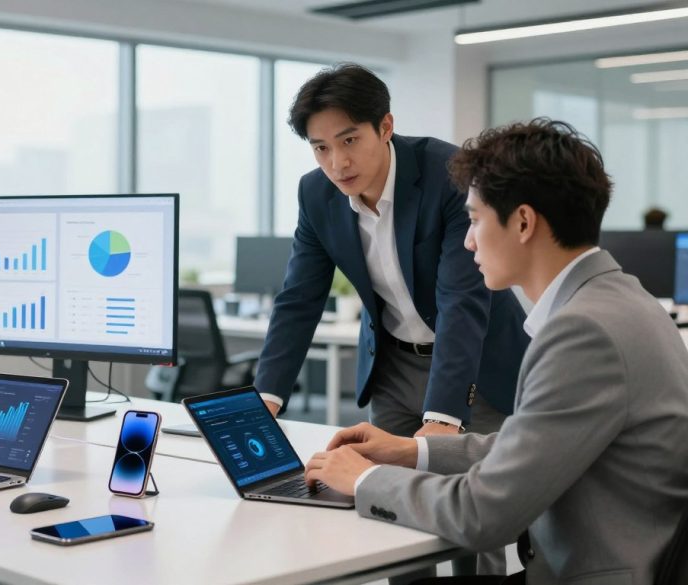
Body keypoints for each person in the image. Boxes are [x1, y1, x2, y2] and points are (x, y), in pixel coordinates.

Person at [303, 119, 688, 583]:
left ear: (523, 222)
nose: (467, 241)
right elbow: (531, 444)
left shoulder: (583, 334)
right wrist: (410, 451)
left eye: (474, 219)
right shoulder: (623, 299)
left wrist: (363, 479)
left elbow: (481, 514)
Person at [255, 63, 529, 438]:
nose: (337, 163)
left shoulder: (449, 174)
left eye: (349, 140)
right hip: (393, 368)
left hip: (474, 364)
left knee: (476, 472)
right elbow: (299, 299)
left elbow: (461, 299)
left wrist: (443, 416)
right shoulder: (316, 194)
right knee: (383, 474)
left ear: (385, 127)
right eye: (321, 148)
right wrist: (265, 399)